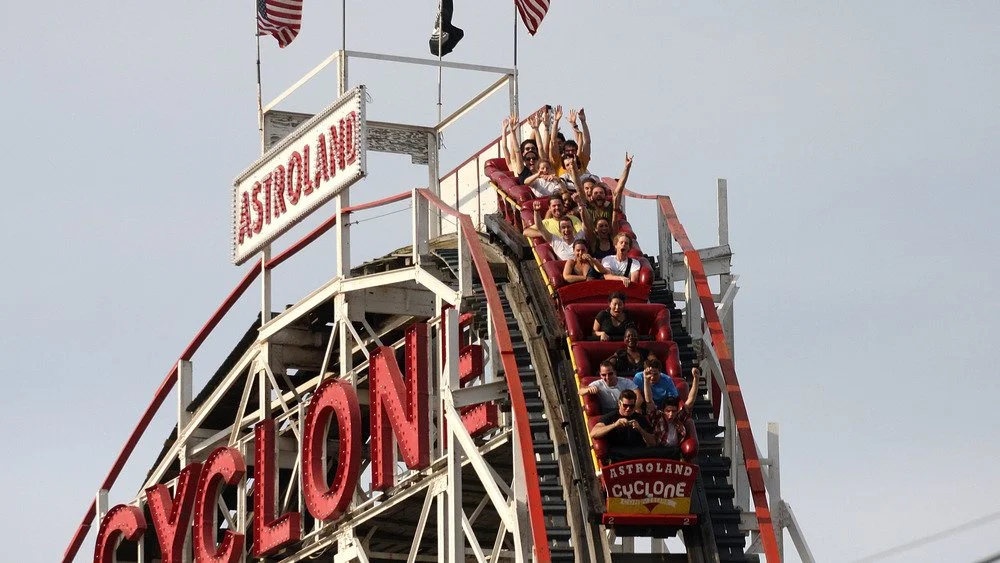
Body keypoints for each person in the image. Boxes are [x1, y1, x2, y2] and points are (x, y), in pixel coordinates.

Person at [589, 389, 656, 462]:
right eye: (625, 405)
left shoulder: (640, 418)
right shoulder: (610, 417)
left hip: (639, 454)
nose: (628, 409)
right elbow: (593, 433)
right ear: (619, 403)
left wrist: (640, 429)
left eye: (631, 406)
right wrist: (615, 425)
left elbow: (653, 442)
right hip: (619, 455)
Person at [648, 397, 699, 462]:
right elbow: (649, 401)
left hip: (674, 452)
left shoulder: (678, 418)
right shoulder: (658, 418)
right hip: (659, 452)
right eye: (668, 411)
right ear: (663, 411)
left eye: (674, 411)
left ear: (677, 411)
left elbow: (690, 403)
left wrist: (696, 389)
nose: (671, 414)